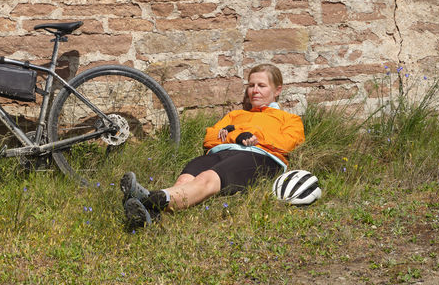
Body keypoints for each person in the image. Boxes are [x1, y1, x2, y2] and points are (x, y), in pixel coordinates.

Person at [120, 62, 304, 230]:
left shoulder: (289, 119)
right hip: (220, 152)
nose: (255, 90)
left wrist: (256, 137)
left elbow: (288, 143)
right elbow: (210, 137)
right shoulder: (235, 115)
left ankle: (149, 198)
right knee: (184, 180)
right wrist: (237, 135)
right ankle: (151, 214)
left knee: (206, 178)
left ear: (277, 90)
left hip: (258, 157)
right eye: (251, 85)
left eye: (261, 86)